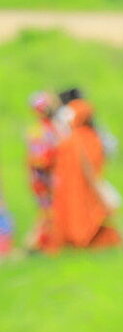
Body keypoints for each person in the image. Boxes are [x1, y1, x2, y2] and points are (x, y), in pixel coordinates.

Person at [38, 99, 122, 253]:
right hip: (81, 186)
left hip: (76, 187)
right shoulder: (91, 138)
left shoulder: (76, 139)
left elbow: (85, 166)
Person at [25, 92, 58, 248]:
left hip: (44, 178)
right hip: (46, 178)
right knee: (47, 212)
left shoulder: (43, 129)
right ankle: (38, 243)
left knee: (49, 211)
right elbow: (37, 160)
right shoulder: (42, 131)